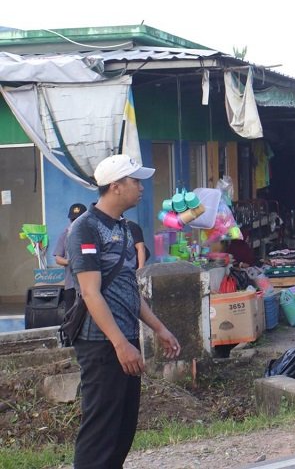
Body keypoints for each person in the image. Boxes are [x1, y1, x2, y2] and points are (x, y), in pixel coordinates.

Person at [66, 154, 180, 469]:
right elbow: (90, 292)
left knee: (123, 429)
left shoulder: (125, 228)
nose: (141, 187)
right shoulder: (85, 229)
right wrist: (120, 343)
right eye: (134, 181)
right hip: (102, 343)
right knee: (101, 430)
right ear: (116, 186)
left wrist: (159, 328)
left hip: (124, 340)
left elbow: (129, 288)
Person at [52, 202, 87, 311]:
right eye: (73, 220)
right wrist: (70, 262)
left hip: (89, 284)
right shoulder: (65, 234)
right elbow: (58, 258)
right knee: (71, 316)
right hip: (71, 284)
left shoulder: (92, 234)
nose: (75, 222)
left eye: (78, 220)